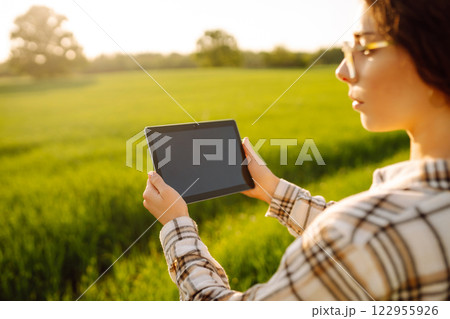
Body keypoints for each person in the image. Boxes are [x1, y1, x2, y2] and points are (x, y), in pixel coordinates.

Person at [142, 0, 450, 300]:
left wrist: (176, 225)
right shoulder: (401, 218)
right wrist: (273, 189)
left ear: (436, 56)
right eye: (347, 49)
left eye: (366, 47)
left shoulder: (364, 233)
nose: (342, 70)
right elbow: (365, 243)